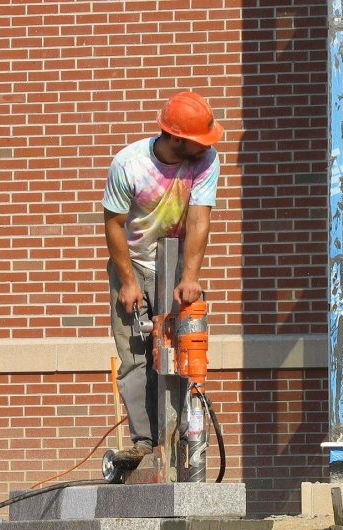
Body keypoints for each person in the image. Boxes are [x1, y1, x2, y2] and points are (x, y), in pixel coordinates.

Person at [102, 91, 224, 467]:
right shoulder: (129, 164)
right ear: (175, 138)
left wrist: (190, 276)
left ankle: (180, 439)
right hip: (132, 261)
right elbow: (114, 225)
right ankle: (143, 442)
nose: (205, 147)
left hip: (174, 263)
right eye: (198, 141)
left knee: (180, 350)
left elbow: (200, 219)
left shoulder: (206, 161)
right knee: (135, 355)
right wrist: (127, 281)